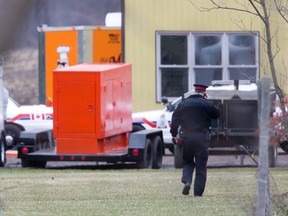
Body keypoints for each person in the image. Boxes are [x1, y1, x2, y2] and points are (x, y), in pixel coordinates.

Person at [170, 84, 220, 196]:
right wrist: (207, 102)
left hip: (187, 137)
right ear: (204, 92)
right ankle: (198, 193)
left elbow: (175, 119)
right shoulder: (207, 104)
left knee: (187, 161)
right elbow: (217, 115)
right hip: (202, 137)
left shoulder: (183, 104)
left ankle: (187, 180)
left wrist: (173, 134)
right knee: (201, 165)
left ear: (194, 91)